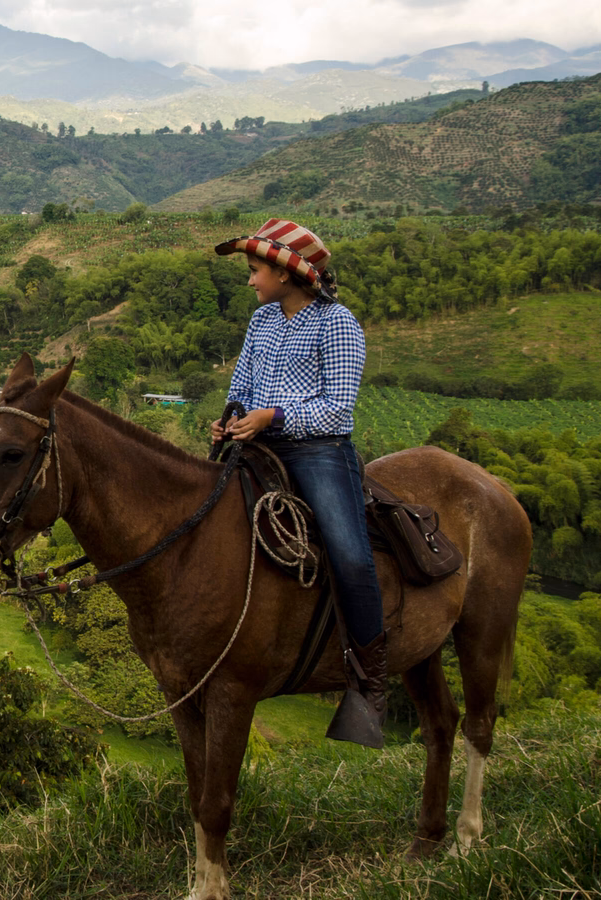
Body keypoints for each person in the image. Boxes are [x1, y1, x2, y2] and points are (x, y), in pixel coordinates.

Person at [209, 218, 387, 749]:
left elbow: (337, 409)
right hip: (255, 442)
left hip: (317, 449)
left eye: (254, 270)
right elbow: (242, 385)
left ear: (285, 273)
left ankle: (370, 683)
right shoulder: (262, 320)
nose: (250, 280)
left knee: (350, 555)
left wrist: (275, 416)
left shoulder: (338, 323)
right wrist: (231, 418)